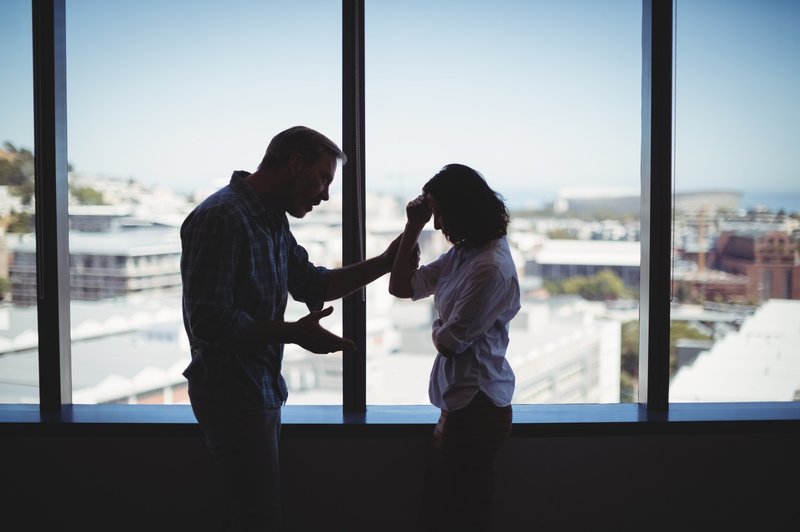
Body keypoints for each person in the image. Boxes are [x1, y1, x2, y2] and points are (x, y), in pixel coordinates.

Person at [180, 125, 402, 531]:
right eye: (323, 179)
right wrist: (294, 333)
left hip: (255, 388)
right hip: (232, 392)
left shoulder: (270, 220)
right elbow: (210, 320)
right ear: (295, 164)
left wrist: (386, 263)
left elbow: (314, 284)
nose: (326, 195)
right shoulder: (221, 217)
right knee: (257, 517)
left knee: (255, 512)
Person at [388, 163, 520, 532]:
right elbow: (400, 286)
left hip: (478, 405)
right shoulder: (465, 254)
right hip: (461, 404)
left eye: (440, 212)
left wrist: (437, 327)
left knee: (461, 512)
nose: (437, 224)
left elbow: (449, 343)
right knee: (447, 508)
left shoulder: (489, 267)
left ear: (461, 209)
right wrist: (411, 227)